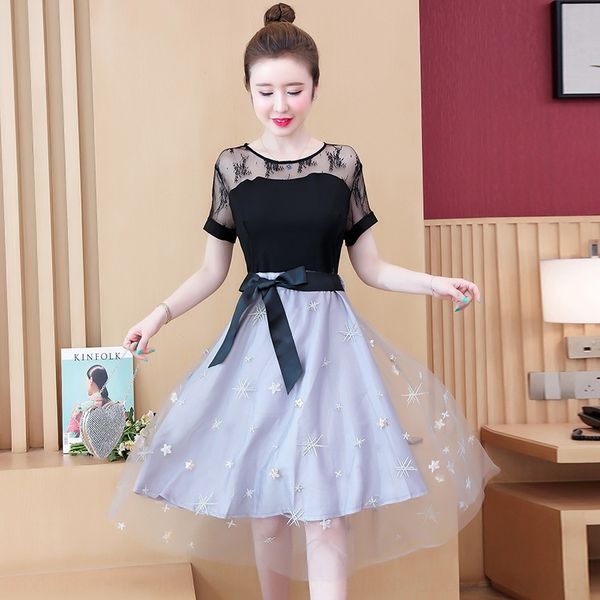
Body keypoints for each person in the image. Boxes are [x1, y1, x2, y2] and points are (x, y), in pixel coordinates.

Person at [108, 4, 501, 599]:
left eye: (294, 90)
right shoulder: (232, 167)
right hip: (257, 345)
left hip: (328, 347)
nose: (280, 104)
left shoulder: (343, 165)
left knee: (326, 506)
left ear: (315, 86)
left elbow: (370, 267)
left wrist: (435, 283)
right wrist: (156, 316)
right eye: (265, 92)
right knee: (267, 505)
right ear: (248, 89)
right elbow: (212, 271)